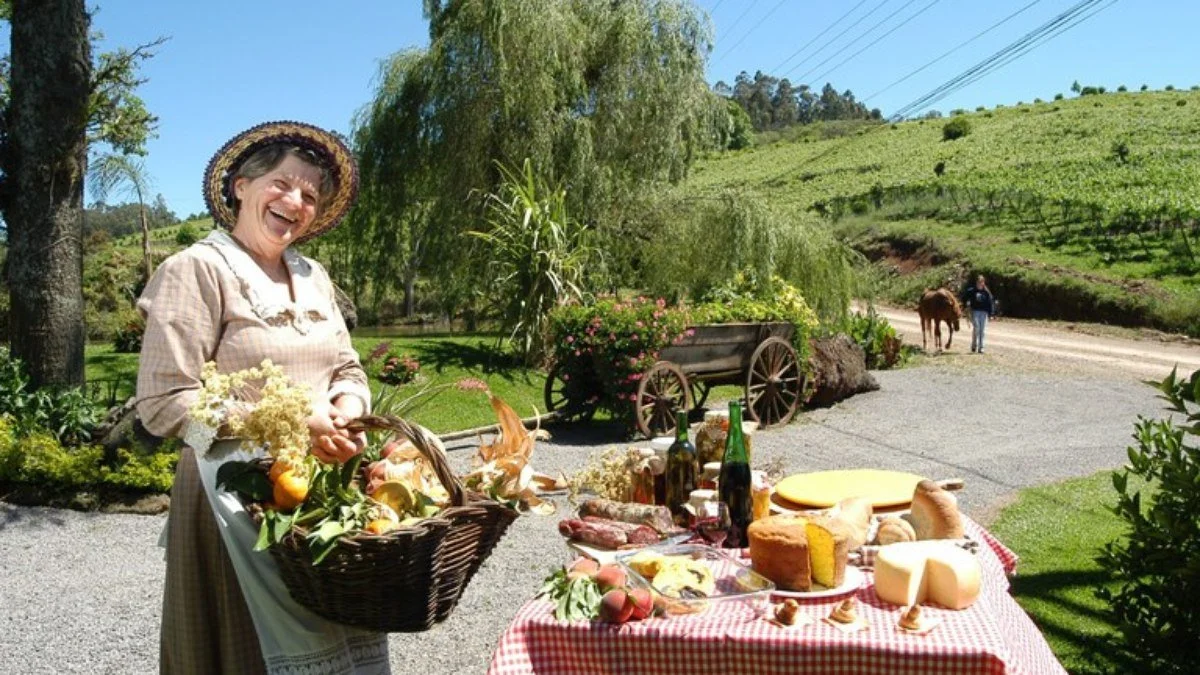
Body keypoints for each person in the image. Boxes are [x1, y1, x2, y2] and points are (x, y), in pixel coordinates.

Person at [136, 121, 388, 674]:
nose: (295, 202)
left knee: (335, 631)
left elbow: (346, 365)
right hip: (233, 499)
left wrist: (349, 406)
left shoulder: (313, 274)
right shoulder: (196, 271)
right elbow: (162, 406)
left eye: (310, 195)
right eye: (282, 183)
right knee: (249, 653)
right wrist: (286, 421)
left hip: (321, 491)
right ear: (240, 186)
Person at [963, 274, 997, 353]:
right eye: (978, 282)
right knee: (977, 328)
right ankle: (974, 344)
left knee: (983, 330)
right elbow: (964, 297)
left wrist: (991, 314)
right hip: (975, 311)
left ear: (983, 283)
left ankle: (981, 347)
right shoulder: (972, 291)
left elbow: (990, 303)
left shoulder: (986, 292)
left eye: (981, 282)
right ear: (976, 282)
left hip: (984, 312)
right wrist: (966, 305)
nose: (980, 283)